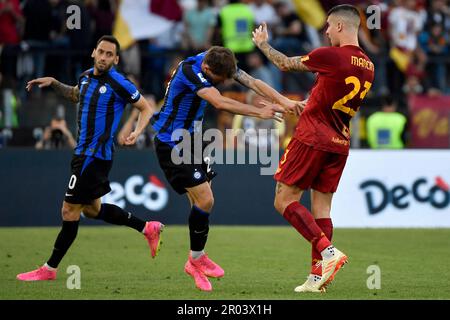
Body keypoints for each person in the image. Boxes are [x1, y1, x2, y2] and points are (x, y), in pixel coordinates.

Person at [140, 45, 300, 291]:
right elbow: (219, 102)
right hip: (172, 140)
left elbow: (253, 82)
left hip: (193, 139)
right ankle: (196, 258)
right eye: (218, 79)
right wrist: (260, 112)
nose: (223, 83)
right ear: (206, 69)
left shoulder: (217, 59)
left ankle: (193, 262)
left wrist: (284, 101)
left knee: (199, 203)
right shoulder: (190, 71)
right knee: (205, 200)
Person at [17, 35, 164, 282]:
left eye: (110, 54)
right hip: (83, 154)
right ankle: (147, 227)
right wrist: (54, 82)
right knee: (93, 210)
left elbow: (146, 108)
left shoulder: (120, 83)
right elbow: (76, 94)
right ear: (93, 52)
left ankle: (49, 269)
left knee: (69, 210)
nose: (105, 57)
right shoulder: (85, 77)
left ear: (116, 59)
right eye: (101, 52)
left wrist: (137, 131)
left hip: (94, 157)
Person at [252, 4, 375, 293]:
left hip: (312, 137)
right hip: (339, 142)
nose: (326, 31)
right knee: (322, 210)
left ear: (341, 27)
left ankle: (329, 252)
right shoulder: (369, 65)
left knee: (283, 200)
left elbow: (284, 64)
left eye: (329, 26)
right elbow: (332, 97)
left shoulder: (330, 55)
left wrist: (263, 45)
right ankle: (317, 277)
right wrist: (307, 104)